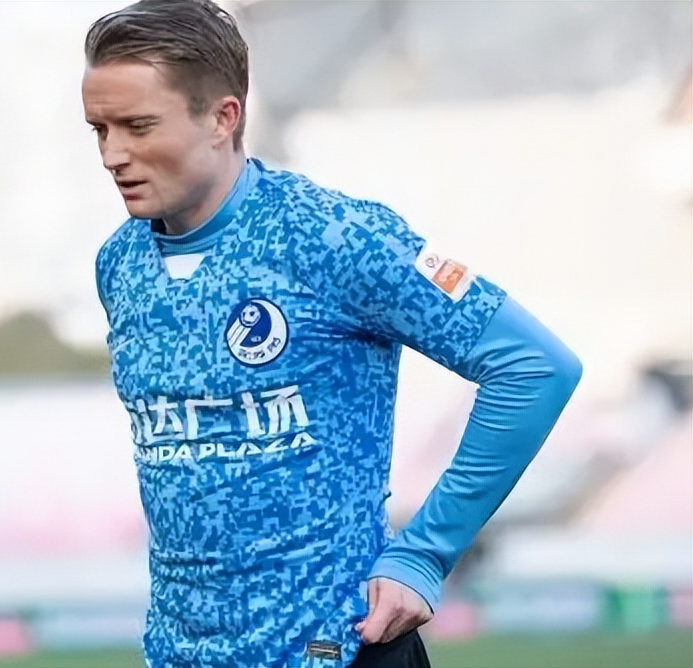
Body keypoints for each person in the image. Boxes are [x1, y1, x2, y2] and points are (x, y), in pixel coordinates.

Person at [82, 1, 583, 666]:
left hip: (337, 649)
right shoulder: (120, 264)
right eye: (100, 129)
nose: (113, 154)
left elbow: (535, 367)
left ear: (222, 118)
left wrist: (423, 554)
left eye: (138, 126)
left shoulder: (332, 237)